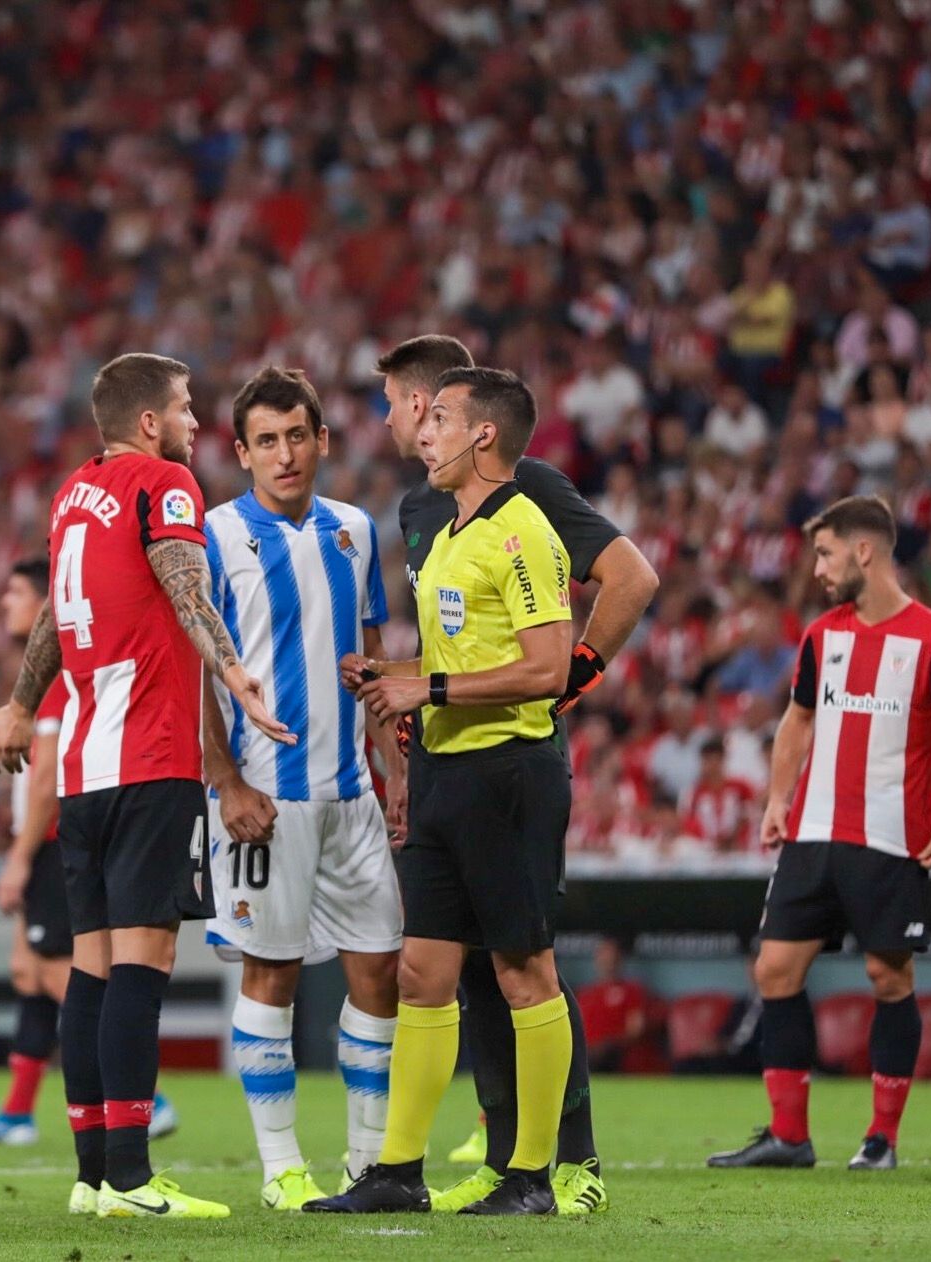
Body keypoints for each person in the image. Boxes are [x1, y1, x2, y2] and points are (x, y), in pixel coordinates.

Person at [0, 352, 292, 1220]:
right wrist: (237, 678)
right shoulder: (165, 481)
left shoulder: (75, 495)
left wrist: (18, 700)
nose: (198, 423)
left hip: (82, 764)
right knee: (144, 967)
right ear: (149, 423)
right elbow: (187, 588)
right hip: (149, 758)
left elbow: (51, 616)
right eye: (188, 407)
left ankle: (90, 1178)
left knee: (89, 971)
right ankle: (130, 1175)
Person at [379, 335, 659, 1215]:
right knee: (451, 973)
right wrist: (414, 717)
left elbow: (630, 576)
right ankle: (494, 1160)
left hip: (508, 757)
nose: (399, 424)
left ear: (444, 413)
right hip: (442, 757)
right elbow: (453, 631)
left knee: (520, 963)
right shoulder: (422, 510)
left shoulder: (525, 493)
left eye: (403, 405)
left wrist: (576, 674)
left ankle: (564, 1164)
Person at [307, 366, 574, 1216]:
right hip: (444, 776)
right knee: (423, 973)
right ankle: (397, 1170)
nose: (424, 430)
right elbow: (460, 658)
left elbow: (548, 666)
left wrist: (432, 691)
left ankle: (532, 1176)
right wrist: (394, 674)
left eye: (443, 418)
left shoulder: (524, 530)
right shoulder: (448, 533)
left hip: (509, 776)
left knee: (525, 970)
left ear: (484, 435)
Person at [709, 495, 931, 1172]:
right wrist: (778, 798)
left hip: (890, 840)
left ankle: (881, 1140)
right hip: (812, 834)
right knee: (775, 968)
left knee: (888, 975)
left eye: (825, 553)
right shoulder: (822, 636)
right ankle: (790, 1137)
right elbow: (797, 719)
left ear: (864, 552)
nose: (816, 569)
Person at [198, 367, 404, 1209]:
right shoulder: (213, 537)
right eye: (266, 440)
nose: (285, 454)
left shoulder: (354, 530)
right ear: (242, 452)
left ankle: (366, 1163)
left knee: (381, 973)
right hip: (264, 799)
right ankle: (282, 1167)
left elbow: (372, 662)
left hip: (353, 794)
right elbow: (191, 671)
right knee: (271, 977)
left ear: (323, 440)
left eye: (298, 435)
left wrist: (396, 773)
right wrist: (225, 780)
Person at [0, 559, 178, 1148]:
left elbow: (46, 771)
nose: (6, 602)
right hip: (54, 837)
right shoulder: (44, 673)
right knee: (29, 972)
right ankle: (17, 1111)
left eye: (17, 591)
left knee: (63, 971)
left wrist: (21, 858)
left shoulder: (61, 671)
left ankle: (144, 1093)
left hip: (56, 843)